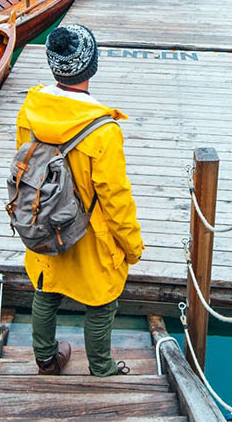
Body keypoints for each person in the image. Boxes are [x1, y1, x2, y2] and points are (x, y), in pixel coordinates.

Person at [15, 23, 144, 376]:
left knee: (46, 292)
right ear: (92, 66)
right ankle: (101, 367)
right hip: (89, 235)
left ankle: (46, 359)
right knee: (102, 303)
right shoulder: (104, 131)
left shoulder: (30, 111)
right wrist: (132, 245)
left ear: (54, 66)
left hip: (44, 224)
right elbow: (116, 199)